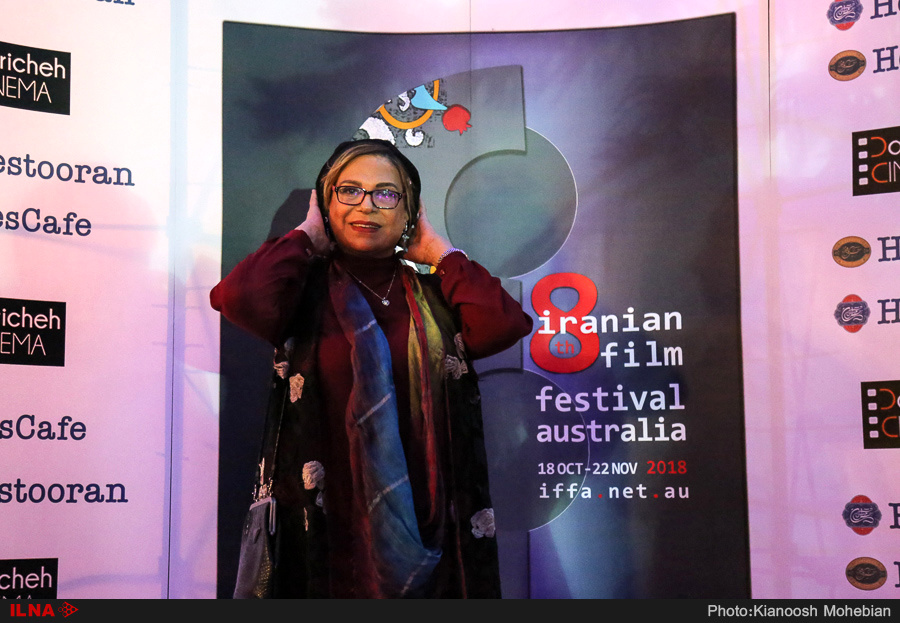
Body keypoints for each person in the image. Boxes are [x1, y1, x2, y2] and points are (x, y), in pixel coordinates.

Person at [210, 139, 533, 598]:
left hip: (431, 532)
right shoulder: (301, 292)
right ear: (326, 204)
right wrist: (307, 235)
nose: (366, 205)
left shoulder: (436, 294)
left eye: (386, 193)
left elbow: (503, 325)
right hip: (325, 529)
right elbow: (238, 298)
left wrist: (440, 253)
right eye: (349, 191)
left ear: (409, 211)